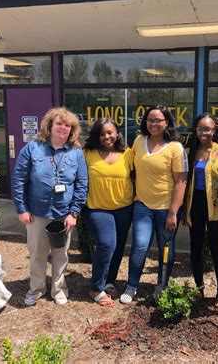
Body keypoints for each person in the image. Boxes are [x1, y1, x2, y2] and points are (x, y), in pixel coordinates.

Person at [13, 107, 88, 306]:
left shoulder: (76, 153)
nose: (63, 128)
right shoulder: (32, 148)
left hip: (64, 214)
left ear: (72, 130)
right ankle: (36, 288)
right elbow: (19, 179)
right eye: (59, 123)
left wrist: (74, 212)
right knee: (37, 253)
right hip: (37, 213)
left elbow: (82, 184)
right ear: (50, 125)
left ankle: (59, 289)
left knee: (61, 254)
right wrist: (22, 208)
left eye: (67, 125)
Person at [120, 104, 188, 304]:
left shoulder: (175, 147)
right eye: (150, 119)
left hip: (166, 209)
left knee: (165, 248)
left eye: (158, 120)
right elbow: (129, 166)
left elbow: (181, 182)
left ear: (167, 122)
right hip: (142, 206)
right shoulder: (139, 141)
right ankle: (132, 286)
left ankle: (163, 286)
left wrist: (174, 212)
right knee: (139, 246)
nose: (154, 124)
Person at [183, 113, 218, 311]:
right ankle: (199, 288)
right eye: (200, 128)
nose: (204, 132)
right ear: (195, 130)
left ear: (215, 130)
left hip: (216, 207)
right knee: (195, 249)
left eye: (208, 128)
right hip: (195, 205)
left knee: (216, 250)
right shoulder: (190, 153)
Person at [83, 118, 134, 307]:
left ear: (117, 133)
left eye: (110, 132)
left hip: (124, 207)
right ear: (97, 135)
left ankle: (108, 281)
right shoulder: (88, 153)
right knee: (106, 243)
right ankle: (96, 287)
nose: (107, 136)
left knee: (119, 245)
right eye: (103, 133)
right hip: (97, 208)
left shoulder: (128, 154)